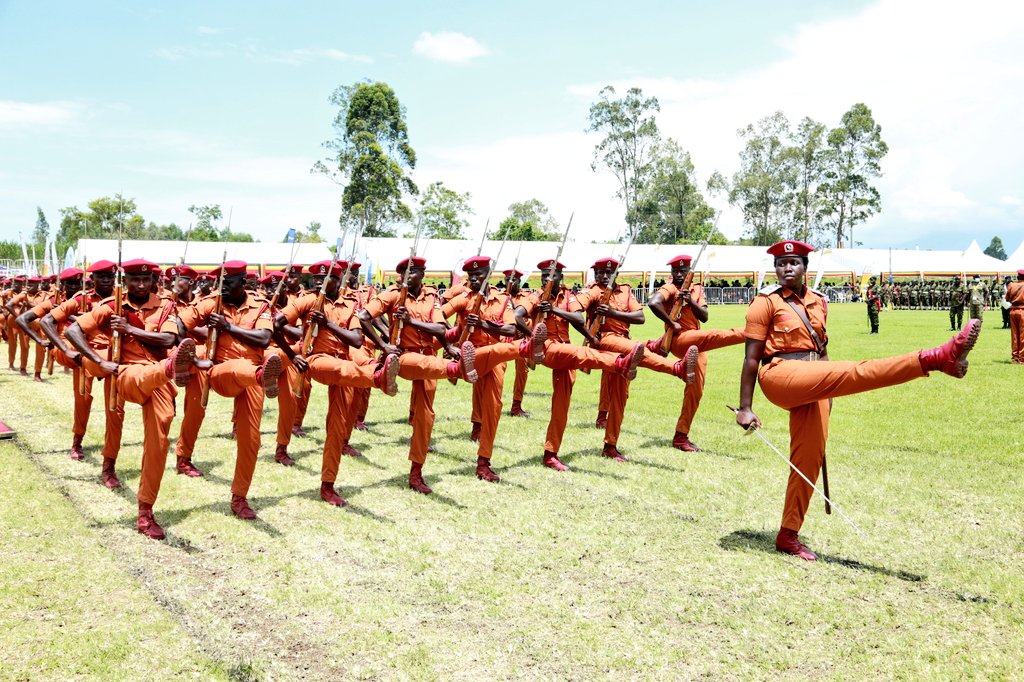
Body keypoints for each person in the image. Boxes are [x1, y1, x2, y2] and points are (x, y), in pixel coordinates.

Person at [735, 240, 980, 561]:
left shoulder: (820, 302)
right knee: (856, 372)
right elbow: (751, 358)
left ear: (805, 267)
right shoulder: (764, 302)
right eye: (781, 264)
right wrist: (745, 407)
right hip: (779, 375)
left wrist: (828, 392)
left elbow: (821, 351)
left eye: (793, 263)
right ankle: (935, 358)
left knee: (807, 459)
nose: (786, 269)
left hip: (815, 379)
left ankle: (788, 534)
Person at [65, 259, 197, 539]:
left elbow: (166, 341)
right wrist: (98, 359)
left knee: (159, 442)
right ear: (125, 281)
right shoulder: (111, 305)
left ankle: (146, 510)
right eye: (134, 280)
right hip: (124, 372)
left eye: (145, 280)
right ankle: (172, 367)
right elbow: (72, 331)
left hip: (158, 378)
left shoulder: (165, 306)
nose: (140, 285)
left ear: (152, 281)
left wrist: (130, 329)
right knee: (135, 382)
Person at [277, 259, 400, 506]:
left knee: (337, 426)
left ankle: (328, 485)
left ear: (340, 279)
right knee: (335, 372)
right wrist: (293, 355)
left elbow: (356, 339)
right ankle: (378, 377)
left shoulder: (350, 305)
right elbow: (277, 324)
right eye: (319, 278)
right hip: (317, 359)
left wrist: (328, 324)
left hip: (345, 365)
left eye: (329, 278)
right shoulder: (308, 300)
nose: (322, 282)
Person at [357, 256, 479, 494]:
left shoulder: (431, 297)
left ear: (422, 275)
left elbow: (439, 328)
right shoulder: (393, 295)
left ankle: (416, 473)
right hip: (403, 357)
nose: (406, 277)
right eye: (403, 273)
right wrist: (383, 345)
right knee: (428, 364)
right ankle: (456, 369)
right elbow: (363, 317)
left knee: (426, 416)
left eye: (412, 272)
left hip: (430, 357)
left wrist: (410, 321)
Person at [512, 259, 645, 472]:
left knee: (561, 406)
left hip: (566, 351)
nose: (548, 279)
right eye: (545, 275)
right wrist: (533, 339)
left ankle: (550, 454)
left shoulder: (567, 296)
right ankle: (621, 363)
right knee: (582, 353)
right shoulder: (534, 296)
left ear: (560, 278)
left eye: (553, 275)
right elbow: (517, 316)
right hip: (548, 348)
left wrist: (587, 336)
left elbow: (577, 318)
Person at [177, 260, 282, 520]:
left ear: (243, 282)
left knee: (251, 439)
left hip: (253, 378)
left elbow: (264, 338)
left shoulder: (260, 306)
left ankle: (240, 497)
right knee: (195, 412)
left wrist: (228, 327)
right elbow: (179, 325)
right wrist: (191, 355)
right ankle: (183, 456)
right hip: (220, 371)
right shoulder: (211, 302)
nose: (221, 287)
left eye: (228, 283)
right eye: (219, 282)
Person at [441, 256, 548, 482]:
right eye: (471, 275)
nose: (474, 278)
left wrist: (483, 324)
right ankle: (527, 348)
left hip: (496, 358)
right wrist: (450, 340)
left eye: (479, 274)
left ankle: (483, 462)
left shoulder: (502, 299)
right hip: (473, 356)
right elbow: (439, 315)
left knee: (494, 407)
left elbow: (511, 329)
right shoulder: (463, 299)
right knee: (495, 358)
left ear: (489, 274)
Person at [583, 257, 690, 461]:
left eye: (608, 272)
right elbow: (578, 308)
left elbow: (640, 317)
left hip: (623, 342)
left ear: (616, 274)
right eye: (599, 273)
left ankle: (610, 446)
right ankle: (676, 368)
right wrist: (589, 332)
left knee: (620, 397)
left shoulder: (625, 291)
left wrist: (613, 312)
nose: (604, 276)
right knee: (638, 351)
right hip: (605, 340)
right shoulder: (594, 290)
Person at [645, 254, 745, 452]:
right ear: (671, 272)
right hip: (680, 339)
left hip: (696, 344)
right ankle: (751, 332)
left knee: (695, 389)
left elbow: (705, 316)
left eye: (683, 270)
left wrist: (690, 300)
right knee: (716, 336)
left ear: (689, 271)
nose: (679, 274)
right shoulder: (670, 287)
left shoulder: (696, 289)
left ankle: (681, 436)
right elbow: (654, 303)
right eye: (676, 271)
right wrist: (671, 322)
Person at [1006, 270, 1024, 364]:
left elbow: (1007, 298)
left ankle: (1015, 358)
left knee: (1014, 335)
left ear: (1018, 277)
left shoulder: (1011, 286)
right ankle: (1022, 358)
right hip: (1023, 311)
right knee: (1022, 336)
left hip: (1013, 311)